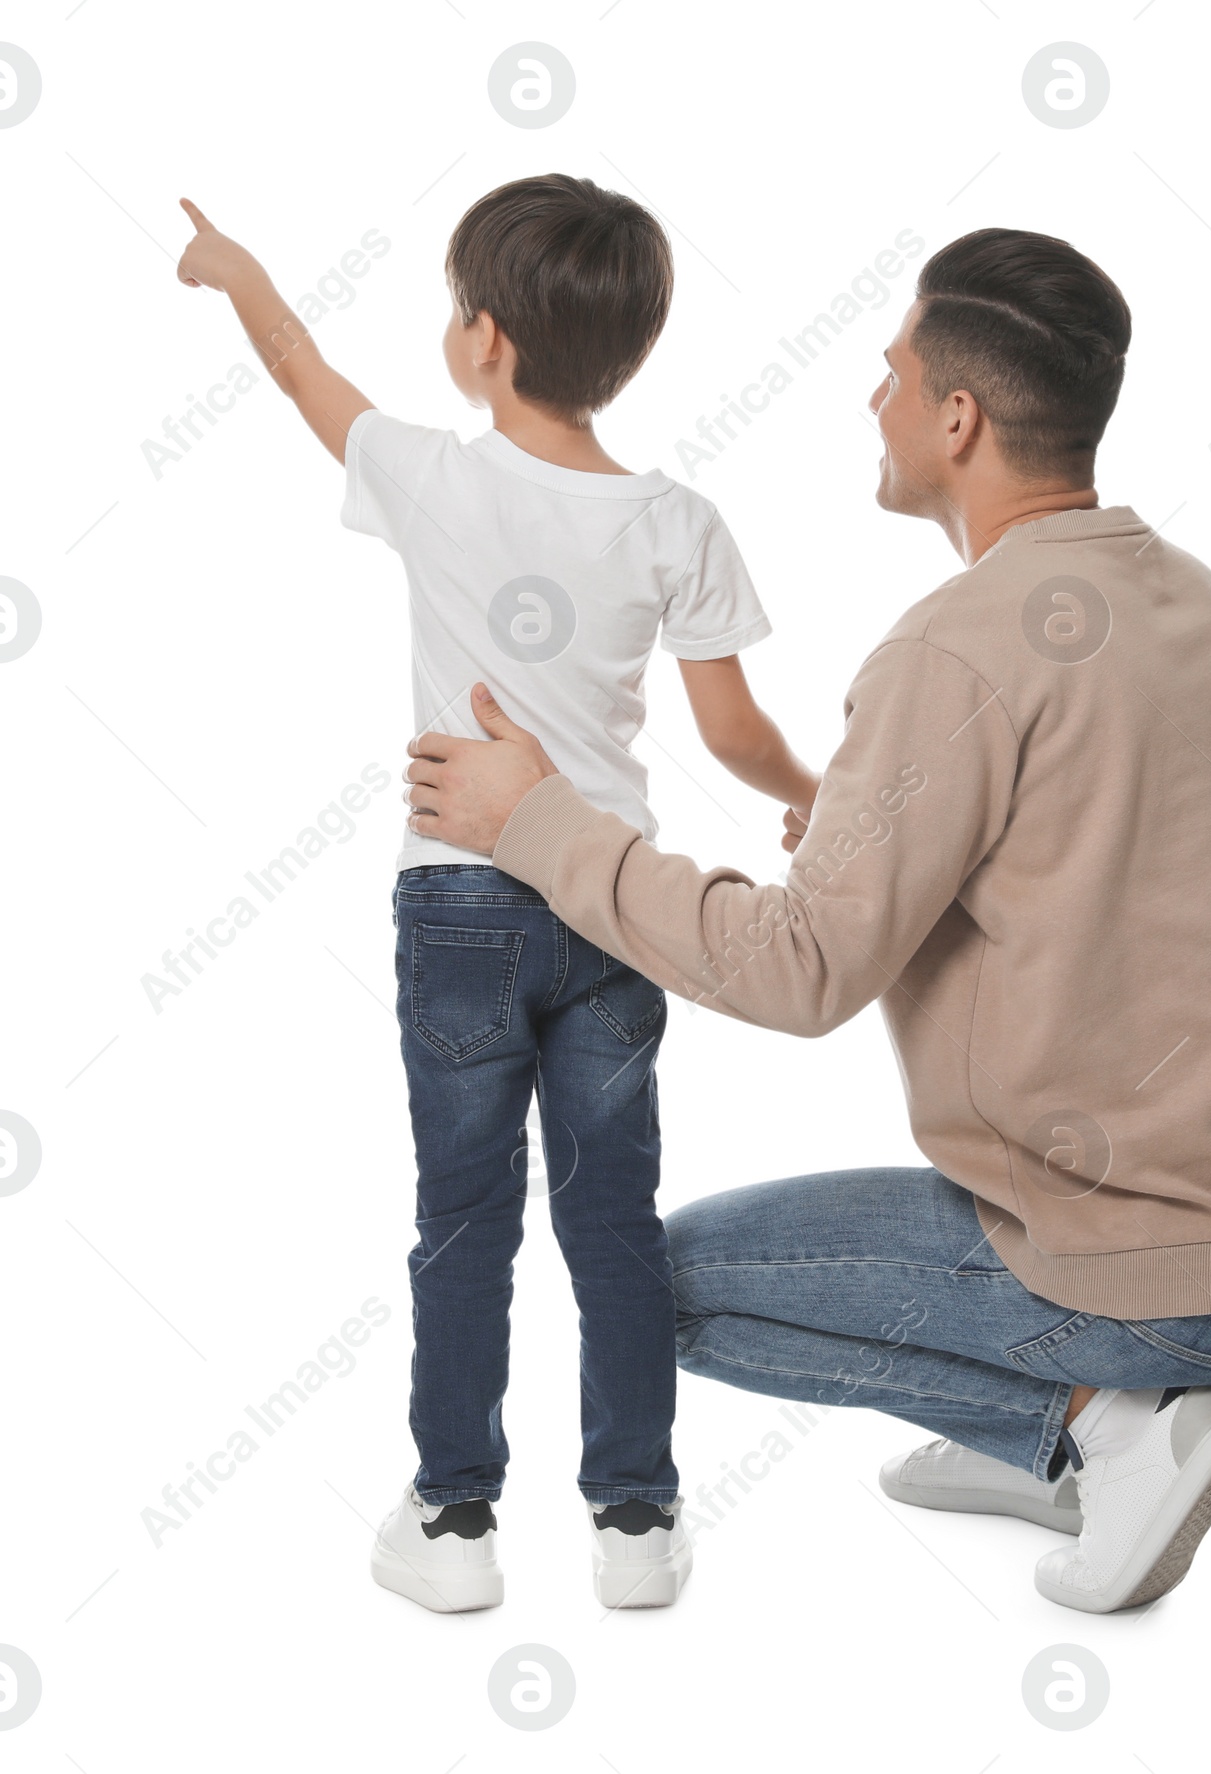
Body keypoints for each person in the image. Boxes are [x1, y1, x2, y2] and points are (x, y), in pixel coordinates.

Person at [404, 224, 1211, 1616]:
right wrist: (887, 841)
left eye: (889, 373)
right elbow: (1121, 870)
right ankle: (1067, 1433)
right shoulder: (1194, 597)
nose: (870, 399)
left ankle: (1107, 1427)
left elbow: (802, 969)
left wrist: (541, 822)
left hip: (1159, 1259)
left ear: (958, 416)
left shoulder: (959, 646)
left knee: (650, 1285)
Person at [175, 175, 818, 1613]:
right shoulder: (677, 519)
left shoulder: (431, 475)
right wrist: (816, 794)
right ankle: (637, 1522)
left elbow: (299, 371)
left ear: (481, 343)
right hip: (612, 903)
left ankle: (455, 1521)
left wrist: (239, 268)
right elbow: (731, 735)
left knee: (463, 1218)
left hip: (461, 897)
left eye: (456, 309)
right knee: (615, 1219)